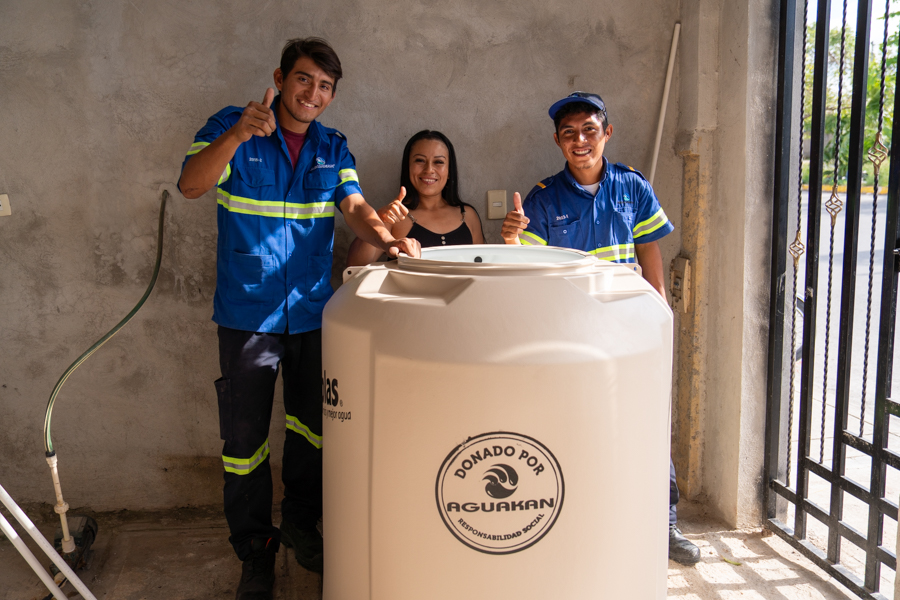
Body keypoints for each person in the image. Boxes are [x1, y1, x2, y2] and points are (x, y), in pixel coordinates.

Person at [177, 38, 420, 599]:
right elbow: (192, 185)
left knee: (313, 432)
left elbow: (354, 207)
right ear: (281, 78)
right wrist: (239, 133)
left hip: (313, 313)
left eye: (326, 86)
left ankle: (301, 528)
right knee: (244, 445)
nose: (314, 93)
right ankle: (255, 552)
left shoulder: (332, 147)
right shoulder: (231, 125)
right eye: (305, 80)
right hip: (248, 316)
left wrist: (388, 240)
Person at [500, 91, 701, 566]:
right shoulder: (542, 199)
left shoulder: (633, 187)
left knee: (648, 424)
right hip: (570, 336)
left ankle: (663, 524)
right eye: (569, 133)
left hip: (629, 331)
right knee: (577, 428)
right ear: (557, 141)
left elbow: (652, 256)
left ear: (606, 133)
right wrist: (510, 238)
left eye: (589, 130)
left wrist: (660, 319)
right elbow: (524, 267)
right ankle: (585, 524)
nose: (580, 140)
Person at [346, 130, 484, 265]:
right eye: (420, 160)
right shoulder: (394, 217)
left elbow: (485, 265)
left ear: (449, 171)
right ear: (408, 168)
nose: (429, 169)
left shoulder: (467, 215)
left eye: (439, 162)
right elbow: (355, 266)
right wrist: (378, 220)